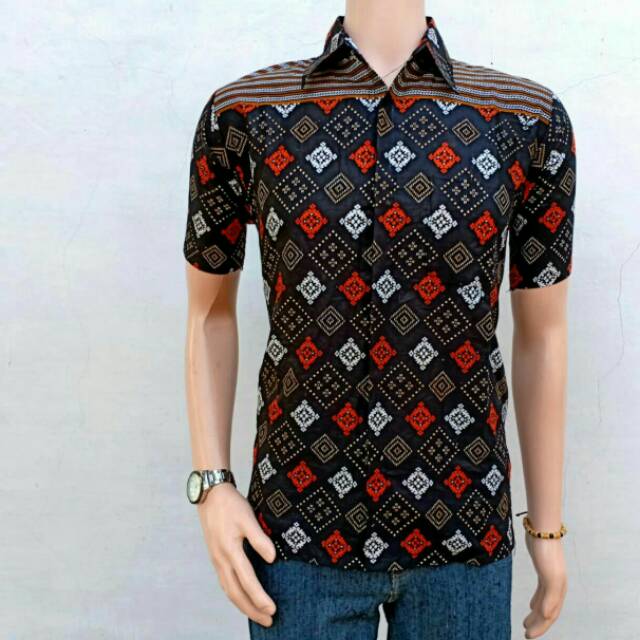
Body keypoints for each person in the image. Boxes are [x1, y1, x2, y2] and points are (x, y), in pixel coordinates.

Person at [182, 2, 575, 638]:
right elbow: (208, 314)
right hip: (297, 531)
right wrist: (213, 485)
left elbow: (544, 334)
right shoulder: (246, 115)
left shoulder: (525, 120)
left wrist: (546, 529)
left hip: (462, 530)